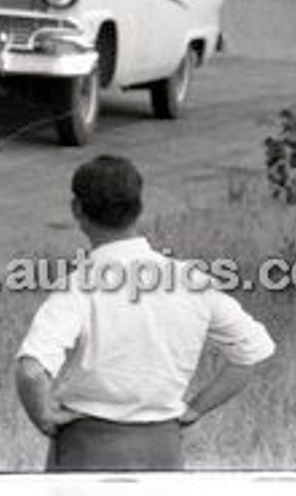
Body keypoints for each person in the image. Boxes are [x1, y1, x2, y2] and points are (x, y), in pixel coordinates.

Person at [15, 155, 276, 471]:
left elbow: (31, 371)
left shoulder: (79, 286)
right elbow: (252, 351)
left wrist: (44, 416)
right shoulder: (191, 281)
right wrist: (194, 409)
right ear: (139, 207)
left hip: (86, 448)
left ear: (77, 210)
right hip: (163, 449)